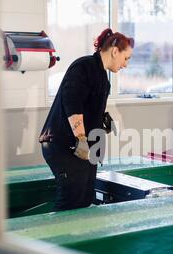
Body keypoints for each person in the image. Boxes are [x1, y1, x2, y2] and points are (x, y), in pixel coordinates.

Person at [39, 28, 134, 211]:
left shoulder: (103, 78)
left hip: (82, 148)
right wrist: (81, 138)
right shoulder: (84, 66)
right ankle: (59, 238)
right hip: (62, 144)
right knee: (71, 199)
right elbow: (72, 102)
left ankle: (78, 237)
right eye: (126, 58)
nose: (126, 64)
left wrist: (101, 119)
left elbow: (87, 105)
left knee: (86, 196)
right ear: (115, 51)